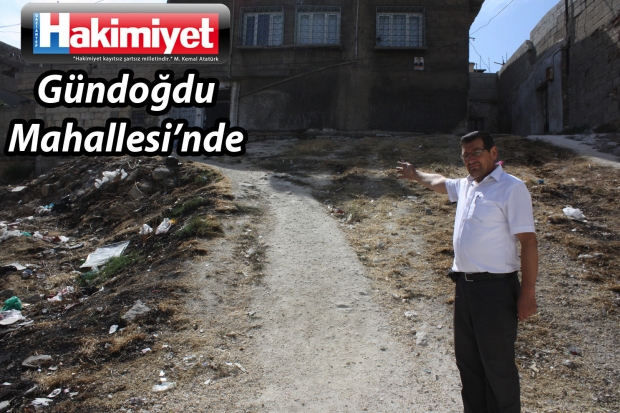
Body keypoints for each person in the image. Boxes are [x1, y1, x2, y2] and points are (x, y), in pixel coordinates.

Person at [396, 131, 538, 413]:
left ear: (493, 153)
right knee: (469, 364)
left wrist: (528, 293)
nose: (470, 159)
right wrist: (415, 174)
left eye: (476, 152)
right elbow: (439, 182)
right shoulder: (467, 186)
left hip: (496, 290)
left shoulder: (511, 188)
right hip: (465, 288)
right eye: (465, 155)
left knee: (497, 367)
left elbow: (529, 242)